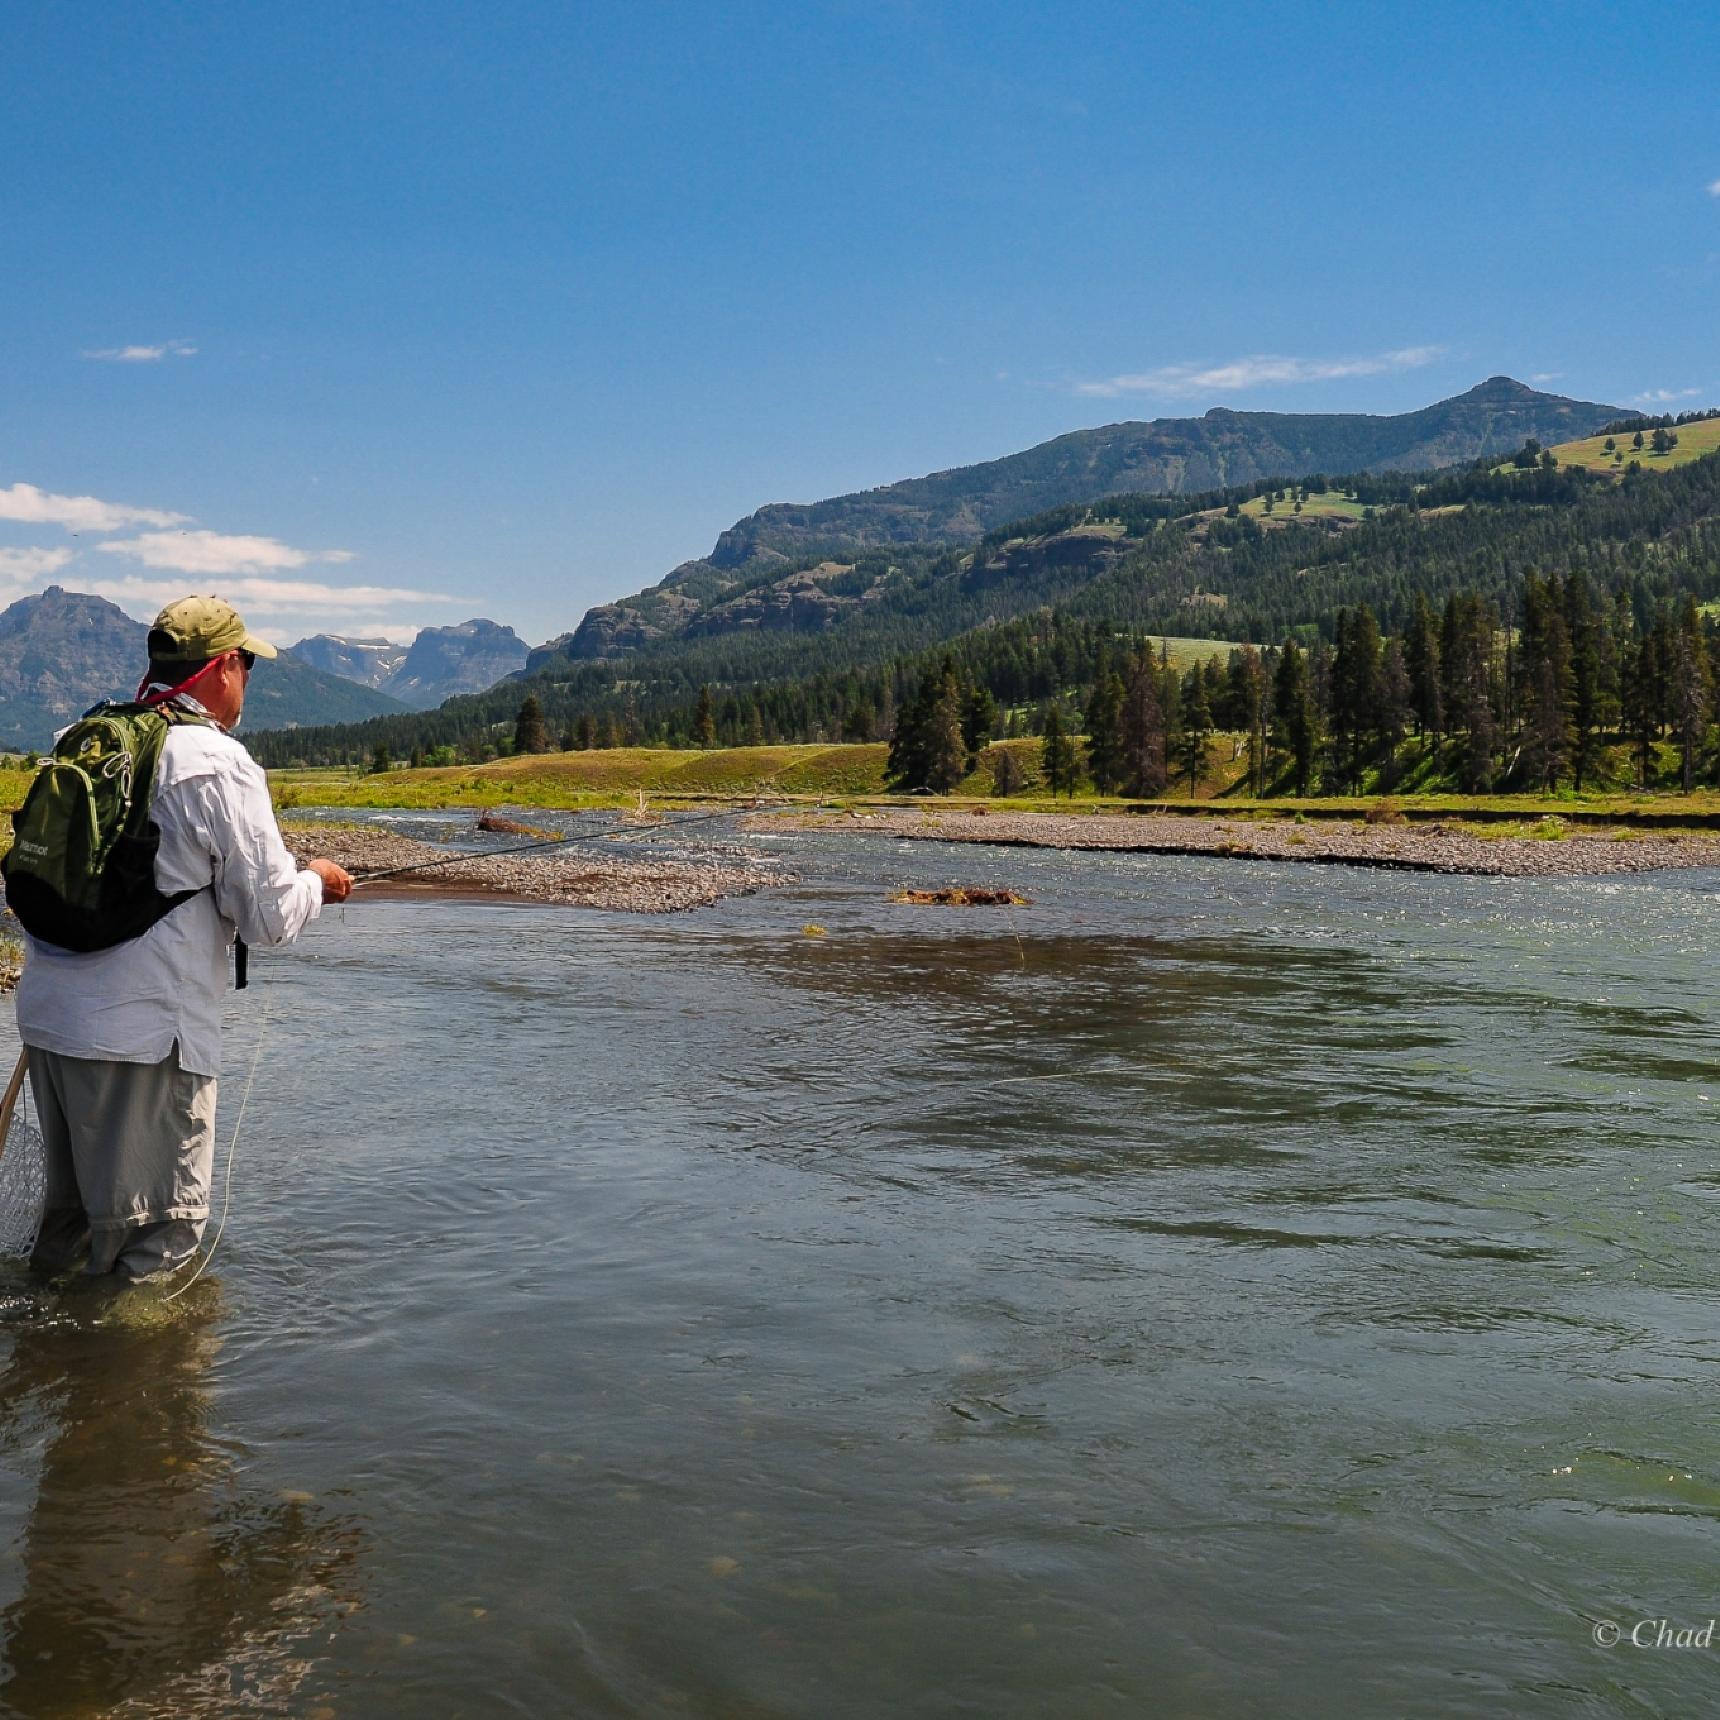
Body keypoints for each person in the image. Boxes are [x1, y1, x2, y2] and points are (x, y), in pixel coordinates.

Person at [12, 596, 354, 1281]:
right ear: (224, 665)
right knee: (156, 1242)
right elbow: (270, 918)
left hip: (49, 1022)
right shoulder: (217, 764)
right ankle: (137, 1385)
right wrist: (317, 879)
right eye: (248, 664)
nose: (249, 681)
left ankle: (44, 1372)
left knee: (71, 1232)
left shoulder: (83, 736)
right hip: (143, 1039)